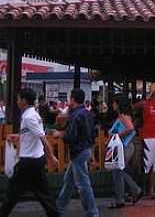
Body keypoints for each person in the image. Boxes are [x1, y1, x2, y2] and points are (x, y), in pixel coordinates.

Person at [0, 88, 60, 217]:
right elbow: (31, 135)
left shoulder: (29, 117)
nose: (17, 101)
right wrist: (18, 137)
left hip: (28, 161)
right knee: (44, 194)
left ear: (24, 101)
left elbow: (42, 137)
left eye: (19, 99)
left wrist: (52, 157)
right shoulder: (32, 114)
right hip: (35, 160)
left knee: (12, 194)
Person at [54, 89, 99, 217]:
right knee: (70, 182)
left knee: (83, 184)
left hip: (78, 152)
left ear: (72, 99)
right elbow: (92, 134)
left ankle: (93, 213)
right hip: (85, 150)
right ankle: (59, 208)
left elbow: (71, 137)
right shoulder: (87, 113)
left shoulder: (75, 115)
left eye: (70, 98)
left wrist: (60, 134)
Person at [108, 95, 143, 209]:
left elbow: (130, 128)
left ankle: (125, 196)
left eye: (114, 103)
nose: (112, 105)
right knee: (118, 171)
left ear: (118, 104)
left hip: (125, 147)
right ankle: (129, 193)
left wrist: (117, 135)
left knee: (117, 170)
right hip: (125, 146)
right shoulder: (124, 115)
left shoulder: (123, 116)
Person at [134, 83, 155, 199]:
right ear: (154, 92)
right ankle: (140, 190)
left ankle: (151, 190)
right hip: (148, 138)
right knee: (146, 166)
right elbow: (133, 107)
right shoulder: (145, 104)